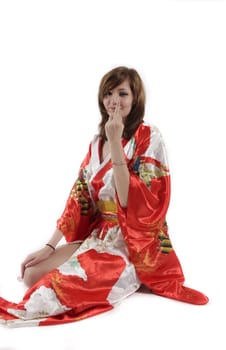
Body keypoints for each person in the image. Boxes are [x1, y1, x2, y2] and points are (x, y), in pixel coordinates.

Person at [0, 66, 208, 327]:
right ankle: (85, 266)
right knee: (32, 274)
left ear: (135, 99)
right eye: (108, 93)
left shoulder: (148, 136)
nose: (114, 101)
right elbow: (79, 196)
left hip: (133, 242)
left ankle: (135, 275)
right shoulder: (96, 142)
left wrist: (118, 143)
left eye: (122, 93)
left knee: (57, 289)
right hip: (100, 234)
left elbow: (129, 201)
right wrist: (50, 245)